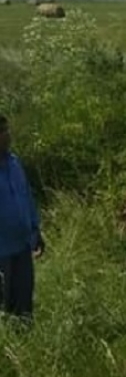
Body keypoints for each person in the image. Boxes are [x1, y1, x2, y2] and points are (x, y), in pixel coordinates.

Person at [0, 115, 44, 324]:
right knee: (4, 309)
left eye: (7, 130)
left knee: (24, 306)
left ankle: (25, 344)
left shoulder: (14, 163)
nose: (7, 135)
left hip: (22, 247)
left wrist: (35, 231)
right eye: (2, 132)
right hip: (1, 252)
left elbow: (26, 197)